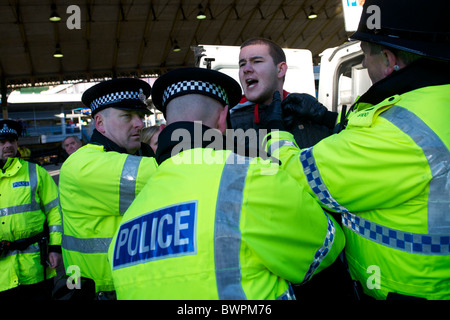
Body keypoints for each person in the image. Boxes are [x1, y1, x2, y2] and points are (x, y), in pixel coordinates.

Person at [263, 0, 450, 300]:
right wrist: (328, 119)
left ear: (389, 60)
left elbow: (295, 175)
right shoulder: (433, 105)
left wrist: (274, 135)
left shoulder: (397, 135)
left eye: (365, 54)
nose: (363, 65)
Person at [107, 67, 345, 300]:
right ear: (222, 119)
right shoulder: (249, 177)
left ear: (165, 127)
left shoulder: (128, 221)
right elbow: (326, 247)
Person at [59, 78, 158, 299]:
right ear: (100, 123)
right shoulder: (82, 164)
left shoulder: (138, 155)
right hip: (102, 290)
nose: (140, 124)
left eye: (141, 116)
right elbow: (169, 176)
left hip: (133, 285)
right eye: (127, 116)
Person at [231, 37, 336, 151]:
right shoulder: (228, 124)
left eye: (256, 61)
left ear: (281, 69)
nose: (246, 69)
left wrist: (330, 119)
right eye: (242, 64)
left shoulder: (311, 115)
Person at [0, 120, 62, 300]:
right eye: (2, 142)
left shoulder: (36, 172)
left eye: (12, 141)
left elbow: (55, 212)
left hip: (35, 267)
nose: (8, 146)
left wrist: (55, 248)